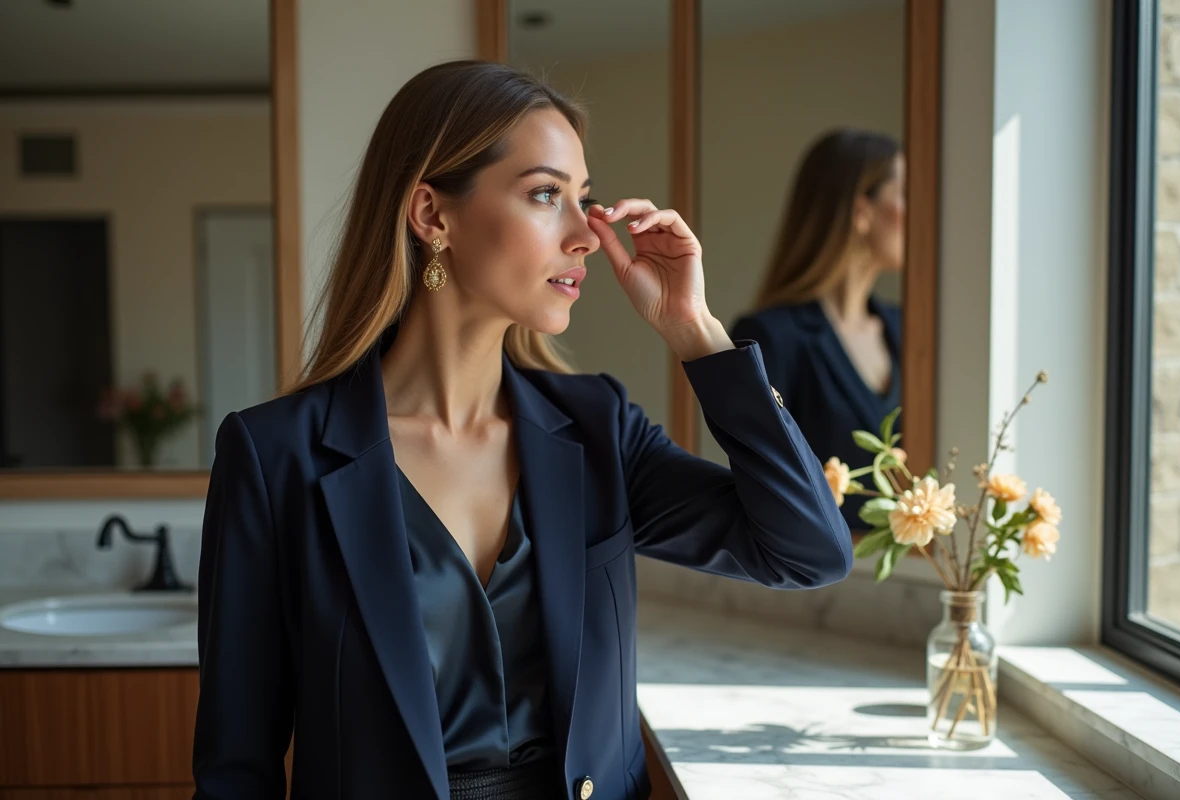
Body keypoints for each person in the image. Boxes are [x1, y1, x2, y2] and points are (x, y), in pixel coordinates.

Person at [191, 60, 851, 800]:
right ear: (432, 216)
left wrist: (697, 333)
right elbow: (235, 772)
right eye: (545, 194)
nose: (588, 235)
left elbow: (808, 551)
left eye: (586, 200)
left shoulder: (599, 429)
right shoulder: (275, 455)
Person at [731, 129, 905, 530]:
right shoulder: (770, 337)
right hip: (815, 581)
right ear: (861, 211)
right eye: (905, 194)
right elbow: (768, 490)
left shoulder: (909, 333)